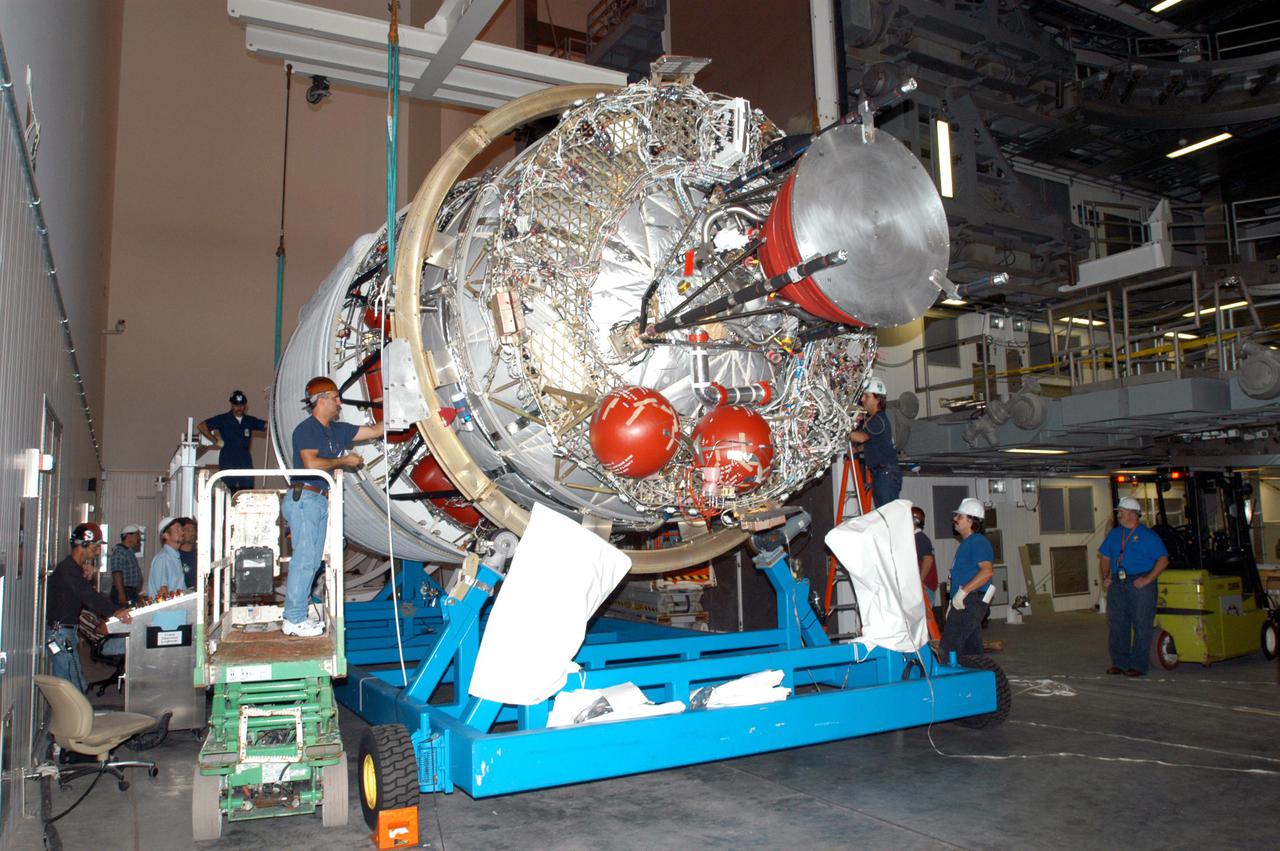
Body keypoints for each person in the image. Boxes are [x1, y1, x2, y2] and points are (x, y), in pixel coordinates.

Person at [282, 376, 383, 637]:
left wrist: (398, 409)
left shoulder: (336, 430)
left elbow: (374, 431)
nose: (339, 403)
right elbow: (311, 464)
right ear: (322, 399)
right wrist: (345, 460)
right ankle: (293, 618)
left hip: (318, 499)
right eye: (336, 397)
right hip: (305, 498)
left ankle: (298, 615)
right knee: (305, 560)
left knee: (312, 561)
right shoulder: (306, 429)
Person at [45, 523, 132, 691]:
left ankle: (74, 716)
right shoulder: (69, 570)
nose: (98, 550)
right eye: (96, 546)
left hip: (66, 633)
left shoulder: (73, 568)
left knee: (75, 683)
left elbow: (82, 593)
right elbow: (89, 596)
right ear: (83, 544)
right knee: (72, 686)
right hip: (61, 634)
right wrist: (116, 611)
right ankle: (72, 717)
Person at [1098, 496, 1169, 677]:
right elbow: (1105, 557)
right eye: (1119, 511)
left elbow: (1163, 560)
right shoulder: (1115, 534)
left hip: (1140, 582)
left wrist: (1147, 580)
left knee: (1141, 624)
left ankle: (1138, 665)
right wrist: (1106, 576)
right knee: (1117, 623)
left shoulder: (1147, 536)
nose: (1119, 514)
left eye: (1121, 511)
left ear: (1132, 514)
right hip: (1118, 582)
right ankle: (1119, 663)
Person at [940, 497, 994, 659]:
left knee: (949, 650)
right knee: (971, 652)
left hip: (970, 602)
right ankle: (980, 681)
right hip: (965, 602)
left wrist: (963, 592)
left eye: (960, 516)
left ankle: (948, 684)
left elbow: (986, 572)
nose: (954, 519)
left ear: (971, 520)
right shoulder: (967, 544)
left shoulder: (977, 542)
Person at [198, 390, 267, 492]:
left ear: (245, 405)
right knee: (227, 491)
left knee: (247, 491)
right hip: (228, 460)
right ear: (231, 404)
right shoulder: (223, 419)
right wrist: (215, 440)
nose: (239, 408)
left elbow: (267, 425)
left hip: (244, 460)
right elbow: (202, 426)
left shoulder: (249, 421)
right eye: (236, 405)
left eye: (241, 405)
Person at [849, 375, 901, 507]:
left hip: (886, 474)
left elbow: (861, 437)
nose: (862, 399)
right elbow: (873, 443)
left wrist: (839, 432)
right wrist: (857, 449)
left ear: (877, 399)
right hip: (882, 474)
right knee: (883, 513)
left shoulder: (878, 420)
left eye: (866, 396)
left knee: (886, 514)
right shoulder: (876, 419)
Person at [146, 516, 188, 597]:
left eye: (182, 529)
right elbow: (163, 595)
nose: (182, 533)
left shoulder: (174, 557)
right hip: (169, 610)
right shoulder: (163, 559)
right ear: (166, 535)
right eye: (177, 530)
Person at [109, 524, 144, 607]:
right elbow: (117, 573)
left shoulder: (129, 552)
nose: (139, 538)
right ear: (128, 536)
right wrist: (121, 594)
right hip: (124, 591)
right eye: (137, 535)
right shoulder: (119, 551)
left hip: (131, 592)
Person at [913, 506, 938, 606]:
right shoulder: (918, 538)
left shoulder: (920, 539)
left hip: (925, 587)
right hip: (925, 587)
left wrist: (919, 582)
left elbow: (928, 560)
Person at [179, 517, 197, 590]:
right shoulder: (176, 557)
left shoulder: (200, 555)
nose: (192, 532)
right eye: (188, 530)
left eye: (194, 530)